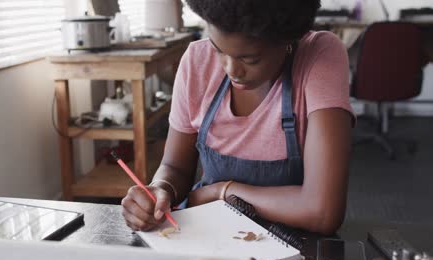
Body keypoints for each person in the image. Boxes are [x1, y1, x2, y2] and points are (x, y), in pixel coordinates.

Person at [121, 0, 354, 235]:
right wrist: (161, 190)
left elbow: (323, 211)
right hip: (213, 235)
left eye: (249, 59)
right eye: (218, 49)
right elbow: (175, 167)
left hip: (295, 243)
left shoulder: (318, 55)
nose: (231, 69)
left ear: (287, 40)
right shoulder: (196, 60)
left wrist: (222, 192)